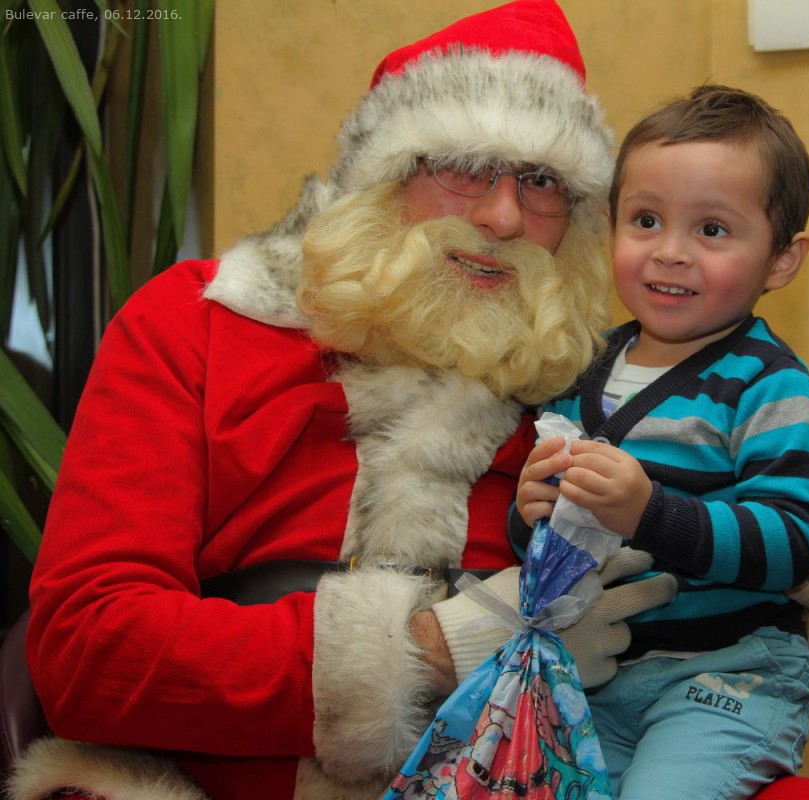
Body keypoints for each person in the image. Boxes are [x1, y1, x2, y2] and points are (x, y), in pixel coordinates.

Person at [8, 3, 679, 800]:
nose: (503, 217)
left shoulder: (590, 379)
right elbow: (87, 652)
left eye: (541, 182)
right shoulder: (198, 325)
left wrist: (768, 545)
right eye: (465, 165)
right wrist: (432, 649)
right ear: (383, 175)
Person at [510, 85, 809, 799]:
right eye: (647, 220)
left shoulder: (772, 387)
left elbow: (793, 546)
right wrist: (529, 513)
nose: (670, 252)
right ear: (610, 227)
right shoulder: (580, 366)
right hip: (595, 675)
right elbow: (556, 542)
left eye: (711, 229)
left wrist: (649, 512)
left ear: (781, 260)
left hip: (727, 676)